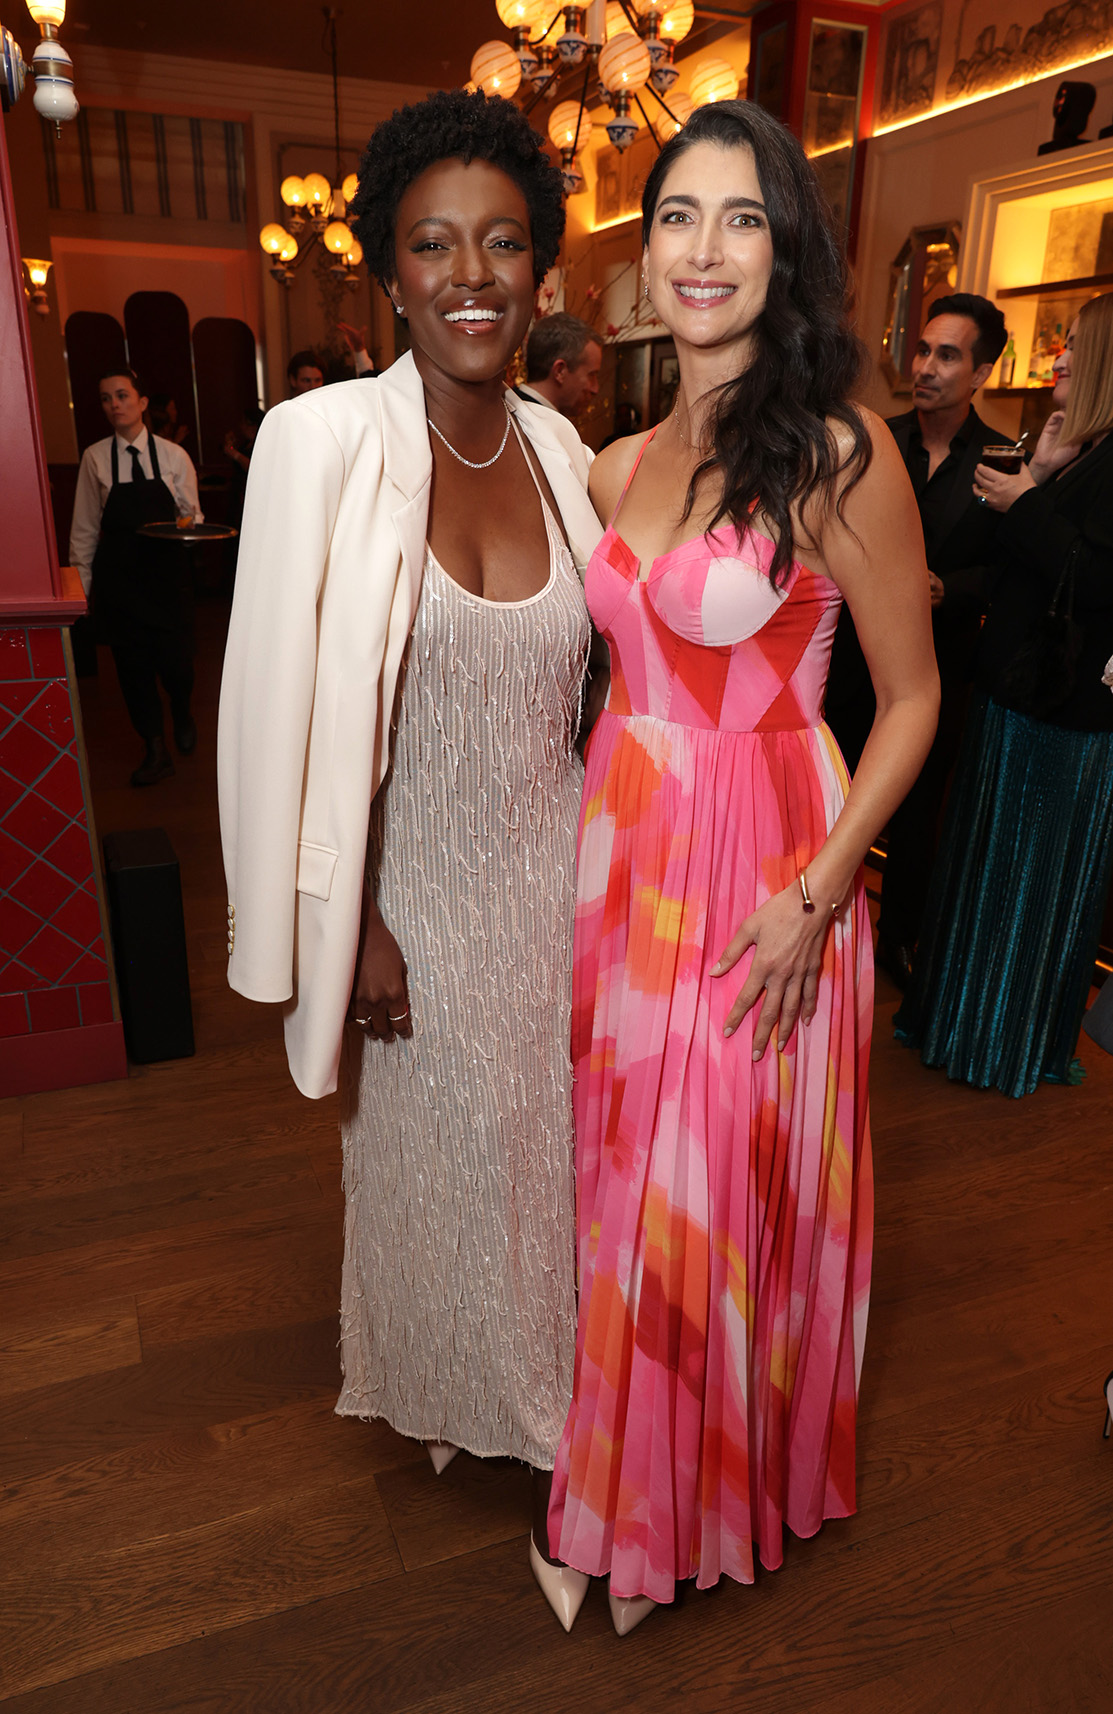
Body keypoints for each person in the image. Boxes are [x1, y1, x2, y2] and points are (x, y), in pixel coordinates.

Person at [545, 99, 939, 1633]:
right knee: (626, 1178)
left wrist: (820, 889)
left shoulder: (839, 451)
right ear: (641, 260)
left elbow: (910, 699)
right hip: (625, 847)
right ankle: (635, 1484)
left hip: (770, 864)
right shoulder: (618, 457)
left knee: (705, 1191)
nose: (704, 250)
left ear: (786, 252)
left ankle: (673, 1508)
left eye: (743, 218)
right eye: (678, 219)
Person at [217, 89, 603, 1632]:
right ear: (387, 270)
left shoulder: (571, 449)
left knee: (558, 1174)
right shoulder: (318, 442)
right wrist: (347, 913)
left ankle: (560, 1416)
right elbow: (280, 700)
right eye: (435, 242)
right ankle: (460, 1388)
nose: (472, 273)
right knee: (431, 1176)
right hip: (413, 895)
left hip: (564, 878)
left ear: (541, 271)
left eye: (504, 242)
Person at [895, 292, 1113, 1097]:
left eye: (1072, 349)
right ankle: (961, 1026)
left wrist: (1027, 501)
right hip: (1016, 699)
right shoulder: (1081, 449)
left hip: (1060, 718)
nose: (1055, 358)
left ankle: (998, 1042)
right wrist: (1045, 478)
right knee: (985, 875)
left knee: (1021, 891)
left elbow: (1096, 578)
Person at [825, 293, 1008, 987]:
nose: (926, 366)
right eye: (923, 349)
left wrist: (950, 588)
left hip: (938, 667)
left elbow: (1008, 569)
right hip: (846, 663)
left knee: (919, 811)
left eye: (948, 355)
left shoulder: (999, 460)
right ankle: (824, 932)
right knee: (834, 795)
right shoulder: (867, 442)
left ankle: (897, 941)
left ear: (982, 371)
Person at [70, 368, 203, 786]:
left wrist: (188, 528)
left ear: (143, 403)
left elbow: (193, 516)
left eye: (123, 396)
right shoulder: (94, 458)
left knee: (178, 668)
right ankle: (154, 747)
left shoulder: (173, 457)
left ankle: (181, 709)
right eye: (107, 398)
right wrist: (82, 591)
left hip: (167, 579)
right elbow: (86, 528)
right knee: (133, 672)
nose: (115, 405)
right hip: (121, 583)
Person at [518, 311, 602, 418]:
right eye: (591, 375)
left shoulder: (511, 409)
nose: (595, 389)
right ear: (560, 371)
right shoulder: (532, 423)